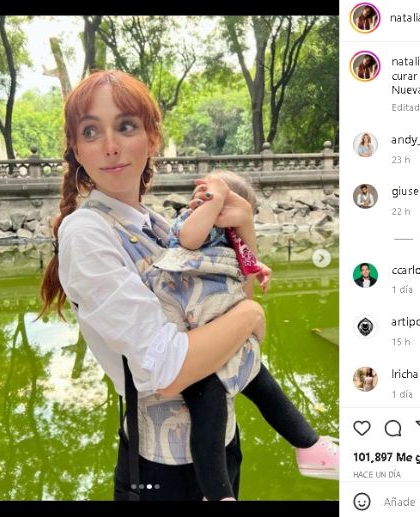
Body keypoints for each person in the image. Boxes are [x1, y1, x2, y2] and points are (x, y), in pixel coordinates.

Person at [39, 70, 254, 501]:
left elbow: (228, 304)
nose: (110, 145)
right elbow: (166, 371)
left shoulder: (158, 226)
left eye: (126, 126)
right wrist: (252, 316)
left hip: (220, 443)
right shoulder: (87, 232)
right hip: (162, 469)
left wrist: (244, 228)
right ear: (77, 149)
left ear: (152, 138)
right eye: (91, 131)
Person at [148, 169, 338, 500]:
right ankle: (217, 494)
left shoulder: (230, 236)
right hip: (192, 336)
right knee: (209, 404)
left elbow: (246, 265)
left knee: (263, 384)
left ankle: (309, 445)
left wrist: (258, 267)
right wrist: (215, 201)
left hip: (223, 328)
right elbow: (190, 240)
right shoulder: (189, 221)